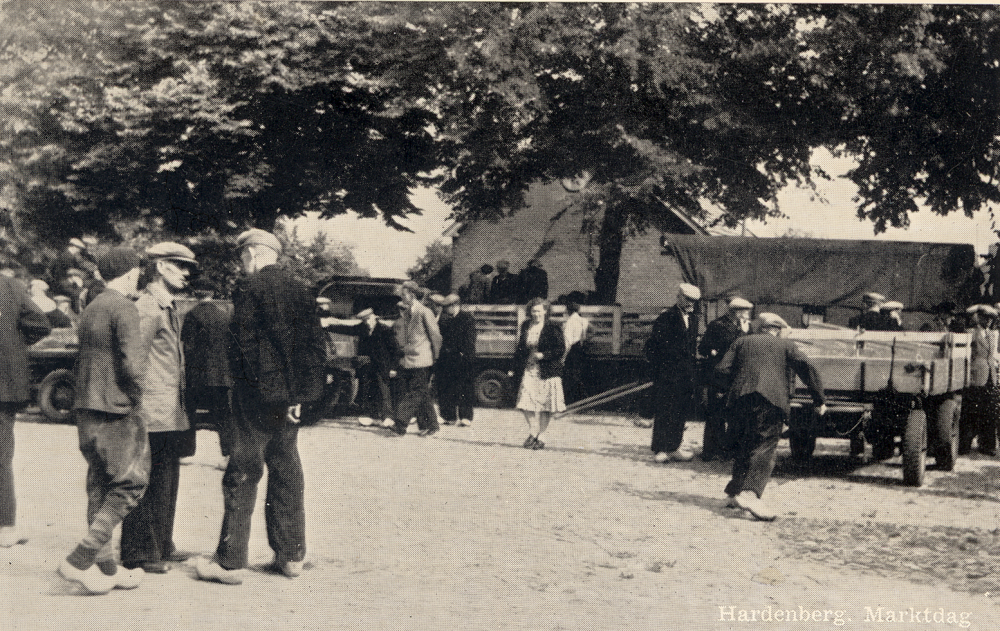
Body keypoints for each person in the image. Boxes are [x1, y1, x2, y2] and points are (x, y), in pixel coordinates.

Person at [196, 228, 325, 584]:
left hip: (256, 400)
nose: (242, 265)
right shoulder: (301, 289)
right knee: (287, 470)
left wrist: (259, 392)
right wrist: (299, 397)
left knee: (243, 471)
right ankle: (291, 556)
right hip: (292, 401)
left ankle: (231, 562)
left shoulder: (248, 289)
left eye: (242, 258)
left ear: (252, 254)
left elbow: (244, 348)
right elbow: (315, 348)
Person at [58, 247, 147, 594]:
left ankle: (107, 570)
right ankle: (79, 559)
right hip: (115, 408)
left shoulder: (93, 305)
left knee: (99, 484)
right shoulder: (124, 306)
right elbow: (132, 363)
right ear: (129, 272)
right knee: (130, 484)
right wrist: (139, 397)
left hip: (85, 405)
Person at [120, 242, 200, 574]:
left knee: (166, 480)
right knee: (146, 483)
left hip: (168, 411)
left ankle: (162, 544)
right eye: (180, 266)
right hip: (151, 412)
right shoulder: (148, 307)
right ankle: (139, 552)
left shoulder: (166, 305)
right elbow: (131, 360)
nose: (186, 273)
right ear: (161, 266)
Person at [714, 313, 827, 521]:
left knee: (745, 444)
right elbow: (808, 368)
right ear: (778, 330)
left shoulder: (741, 342)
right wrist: (819, 399)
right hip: (770, 401)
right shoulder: (786, 345)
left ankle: (734, 493)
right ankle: (751, 494)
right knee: (765, 446)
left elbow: (721, 369)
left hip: (739, 401)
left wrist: (732, 390)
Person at [0, 271, 51, 550]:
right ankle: (5, 527)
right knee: (1, 457)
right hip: (3, 384)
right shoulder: (9, 284)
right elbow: (40, 324)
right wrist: (13, 347)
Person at [644, 283, 701, 463]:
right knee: (665, 409)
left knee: (680, 410)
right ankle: (660, 448)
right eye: (688, 299)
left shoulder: (693, 319)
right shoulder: (666, 317)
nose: (691, 303)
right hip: (667, 373)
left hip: (685, 374)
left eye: (694, 301)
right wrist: (659, 371)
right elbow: (654, 346)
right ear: (679, 297)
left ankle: (674, 446)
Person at [321, 307, 399, 427]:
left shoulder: (385, 330)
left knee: (383, 391)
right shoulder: (362, 328)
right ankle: (369, 415)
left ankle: (387, 417)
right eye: (364, 320)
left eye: (368, 319)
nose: (367, 322)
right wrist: (328, 326)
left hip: (382, 366)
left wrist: (393, 368)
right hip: (368, 366)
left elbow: (395, 350)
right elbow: (347, 330)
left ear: (374, 317)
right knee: (367, 390)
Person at [181, 287, 234, 461]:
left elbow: (187, 347)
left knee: (190, 412)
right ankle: (227, 454)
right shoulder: (224, 315)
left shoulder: (192, 315)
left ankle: (187, 452)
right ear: (212, 294)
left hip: (198, 375)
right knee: (224, 414)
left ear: (196, 294)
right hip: (221, 375)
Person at [698, 297, 753, 461]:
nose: (747, 314)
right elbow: (703, 348)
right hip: (720, 376)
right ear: (735, 312)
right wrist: (713, 353)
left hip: (738, 376)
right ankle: (710, 451)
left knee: (735, 414)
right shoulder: (718, 325)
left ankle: (728, 450)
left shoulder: (747, 327)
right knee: (716, 413)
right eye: (744, 311)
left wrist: (745, 331)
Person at [386, 280, 442, 437]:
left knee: (414, 393)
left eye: (403, 294)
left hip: (422, 360)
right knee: (421, 393)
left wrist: (436, 358)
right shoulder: (408, 312)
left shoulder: (424, 312)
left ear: (411, 295)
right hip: (410, 360)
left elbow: (435, 336)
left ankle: (400, 424)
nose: (402, 297)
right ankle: (431, 425)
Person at [514, 298, 566, 450]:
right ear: (530, 312)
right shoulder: (526, 325)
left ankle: (541, 435)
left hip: (548, 370)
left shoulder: (552, 327)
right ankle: (533, 431)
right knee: (525, 401)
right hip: (529, 369)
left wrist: (543, 355)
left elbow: (560, 349)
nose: (536, 314)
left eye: (539, 311)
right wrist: (515, 366)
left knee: (545, 405)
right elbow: (520, 347)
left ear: (545, 311)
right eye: (533, 311)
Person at [959, 305, 999, 456]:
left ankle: (988, 445)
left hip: (990, 377)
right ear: (979, 318)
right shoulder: (970, 333)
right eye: (985, 318)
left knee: (990, 413)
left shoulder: (991, 334)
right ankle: (964, 446)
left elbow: (992, 354)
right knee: (970, 412)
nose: (988, 321)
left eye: (991, 319)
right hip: (975, 377)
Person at [436, 294, 478, 426]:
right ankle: (448, 416)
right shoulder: (446, 319)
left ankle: (466, 417)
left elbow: (470, 340)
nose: (444, 310)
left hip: (463, 359)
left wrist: (463, 354)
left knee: (465, 388)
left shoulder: (467, 318)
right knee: (446, 387)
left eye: (446, 307)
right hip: (448, 359)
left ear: (454, 306)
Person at [561, 302, 590, 404]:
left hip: (572, 350)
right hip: (581, 348)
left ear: (568, 311)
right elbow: (592, 331)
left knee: (570, 376)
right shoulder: (584, 321)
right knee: (578, 374)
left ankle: (571, 401)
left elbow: (567, 341)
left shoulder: (570, 322)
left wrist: (563, 357)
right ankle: (581, 399)